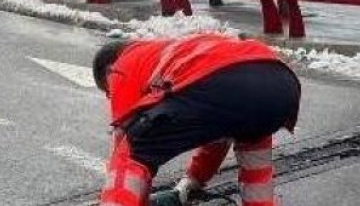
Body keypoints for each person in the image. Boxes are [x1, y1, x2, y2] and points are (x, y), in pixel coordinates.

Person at [90, 33, 300, 206]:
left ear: (109, 70)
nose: (112, 95)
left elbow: (124, 138)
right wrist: (193, 180)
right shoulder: (180, 49)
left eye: (108, 92)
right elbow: (216, 128)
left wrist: (123, 196)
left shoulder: (124, 62)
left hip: (220, 82)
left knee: (131, 153)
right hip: (279, 83)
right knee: (257, 173)